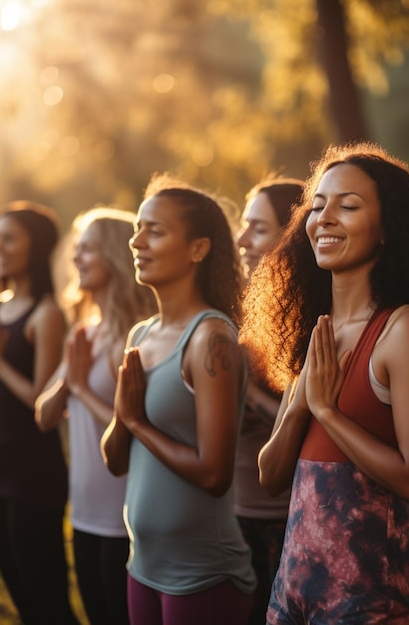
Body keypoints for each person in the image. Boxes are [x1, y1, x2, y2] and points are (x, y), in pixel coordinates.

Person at [240, 143, 409, 624]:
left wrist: (328, 413)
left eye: (348, 205)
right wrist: (303, 403)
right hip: (291, 593)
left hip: (368, 602)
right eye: (318, 205)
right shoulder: (315, 332)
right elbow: (271, 474)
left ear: (387, 229)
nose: (325, 218)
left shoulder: (406, 329)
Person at [101, 174, 256, 625]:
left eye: (156, 231)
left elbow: (214, 473)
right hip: (142, 566)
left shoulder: (211, 338)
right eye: (137, 228)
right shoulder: (140, 335)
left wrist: (139, 423)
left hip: (202, 574)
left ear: (198, 249)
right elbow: (116, 460)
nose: (137, 242)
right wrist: (125, 419)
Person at [35, 207, 156, 625]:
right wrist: (72, 374)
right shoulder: (82, 333)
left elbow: (138, 432)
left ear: (113, 255)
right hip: (84, 510)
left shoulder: (138, 336)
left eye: (87, 249)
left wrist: (83, 388)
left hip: (126, 517)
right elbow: (46, 415)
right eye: (76, 250)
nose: (76, 259)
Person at [0, 201, 80, 625]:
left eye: (9, 238)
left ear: (35, 247)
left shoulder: (47, 314)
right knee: (17, 586)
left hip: (34, 470)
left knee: (46, 592)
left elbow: (41, 398)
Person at [235, 178, 304, 624]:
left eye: (257, 228)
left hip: (288, 517)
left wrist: (247, 391)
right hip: (233, 515)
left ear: (290, 235)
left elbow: (303, 421)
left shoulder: (308, 321)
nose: (242, 240)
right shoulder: (233, 314)